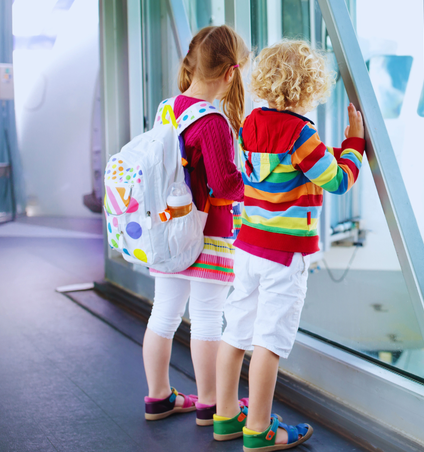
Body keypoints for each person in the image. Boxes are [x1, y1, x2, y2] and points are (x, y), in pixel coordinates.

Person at [213, 40, 365, 449]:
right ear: (310, 88)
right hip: (284, 256)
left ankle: (226, 416)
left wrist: (327, 152)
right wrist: (354, 143)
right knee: (270, 342)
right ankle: (259, 430)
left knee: (236, 331)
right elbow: (337, 179)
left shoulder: (251, 123)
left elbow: (282, 169)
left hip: (247, 248)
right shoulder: (301, 133)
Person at [143, 25, 248, 426]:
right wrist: (252, 180)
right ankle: (209, 403)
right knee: (207, 320)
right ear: (230, 73)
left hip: (169, 231)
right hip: (209, 235)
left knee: (163, 315)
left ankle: (157, 397)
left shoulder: (168, 108)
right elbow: (225, 184)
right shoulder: (213, 122)